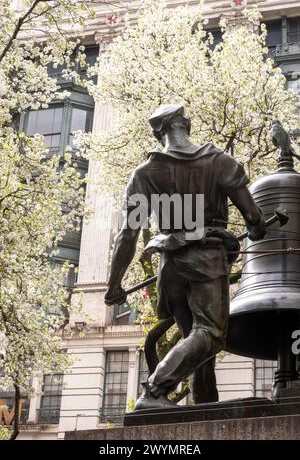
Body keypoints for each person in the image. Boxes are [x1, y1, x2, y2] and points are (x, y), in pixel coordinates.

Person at [104, 104, 266, 409]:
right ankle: (154, 390)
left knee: (197, 345)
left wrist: (114, 284)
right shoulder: (219, 162)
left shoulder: (145, 173)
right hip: (206, 261)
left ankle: (203, 409)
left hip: (172, 266)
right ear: (187, 123)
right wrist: (256, 227)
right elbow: (253, 217)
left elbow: (128, 233)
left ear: (157, 133)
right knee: (211, 334)